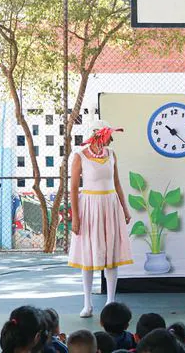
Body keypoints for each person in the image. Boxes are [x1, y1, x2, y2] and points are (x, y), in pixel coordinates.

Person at [68, 120, 133, 318]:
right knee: (88, 255)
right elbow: (73, 188)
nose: (108, 140)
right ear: (96, 135)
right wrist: (76, 217)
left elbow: (117, 183)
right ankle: (87, 304)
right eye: (105, 136)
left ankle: (110, 302)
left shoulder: (111, 154)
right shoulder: (79, 156)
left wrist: (125, 208)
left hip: (110, 206)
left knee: (111, 255)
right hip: (90, 208)